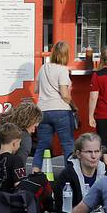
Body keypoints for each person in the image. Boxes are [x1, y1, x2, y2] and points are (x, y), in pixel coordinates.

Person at [32, 41, 75, 172]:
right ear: (66, 54)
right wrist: (74, 106)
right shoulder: (62, 70)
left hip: (43, 111)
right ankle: (70, 174)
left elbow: (36, 89)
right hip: (61, 111)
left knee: (42, 145)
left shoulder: (43, 67)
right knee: (67, 144)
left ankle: (35, 172)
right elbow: (65, 95)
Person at [52, 132, 107, 211]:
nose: (93, 156)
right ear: (78, 154)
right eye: (89, 152)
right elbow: (60, 206)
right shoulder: (67, 175)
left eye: (97, 151)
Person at [0, 123, 27, 192]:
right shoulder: (16, 160)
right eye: (19, 143)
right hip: (10, 199)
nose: (19, 146)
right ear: (14, 143)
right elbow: (20, 185)